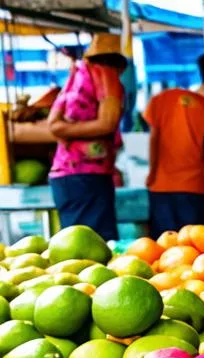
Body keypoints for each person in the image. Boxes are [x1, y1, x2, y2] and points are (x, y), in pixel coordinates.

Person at [143, 53, 204, 237]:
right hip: (194, 191)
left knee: (163, 250)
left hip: (160, 188)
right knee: (191, 251)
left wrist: (153, 175)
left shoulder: (162, 100)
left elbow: (154, 142)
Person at [47, 33, 128, 240]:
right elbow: (108, 123)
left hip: (63, 175)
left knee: (74, 243)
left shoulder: (75, 76)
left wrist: (65, 129)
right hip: (88, 174)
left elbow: (53, 124)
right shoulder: (107, 76)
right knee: (96, 246)